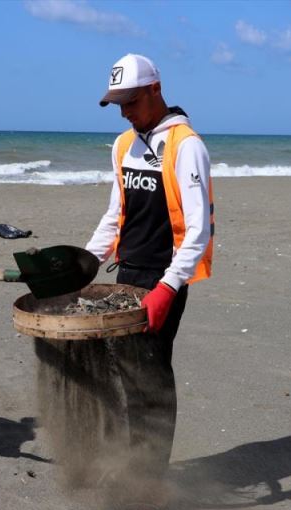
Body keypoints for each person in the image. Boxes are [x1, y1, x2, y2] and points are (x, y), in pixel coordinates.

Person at [85, 54, 214, 477]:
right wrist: (86, 261)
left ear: (155, 90)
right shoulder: (124, 145)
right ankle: (131, 463)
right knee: (124, 372)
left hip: (164, 279)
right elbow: (115, 214)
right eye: (118, 105)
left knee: (152, 378)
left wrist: (169, 287)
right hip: (126, 276)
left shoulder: (185, 145)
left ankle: (150, 480)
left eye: (131, 102)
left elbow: (199, 230)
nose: (125, 112)